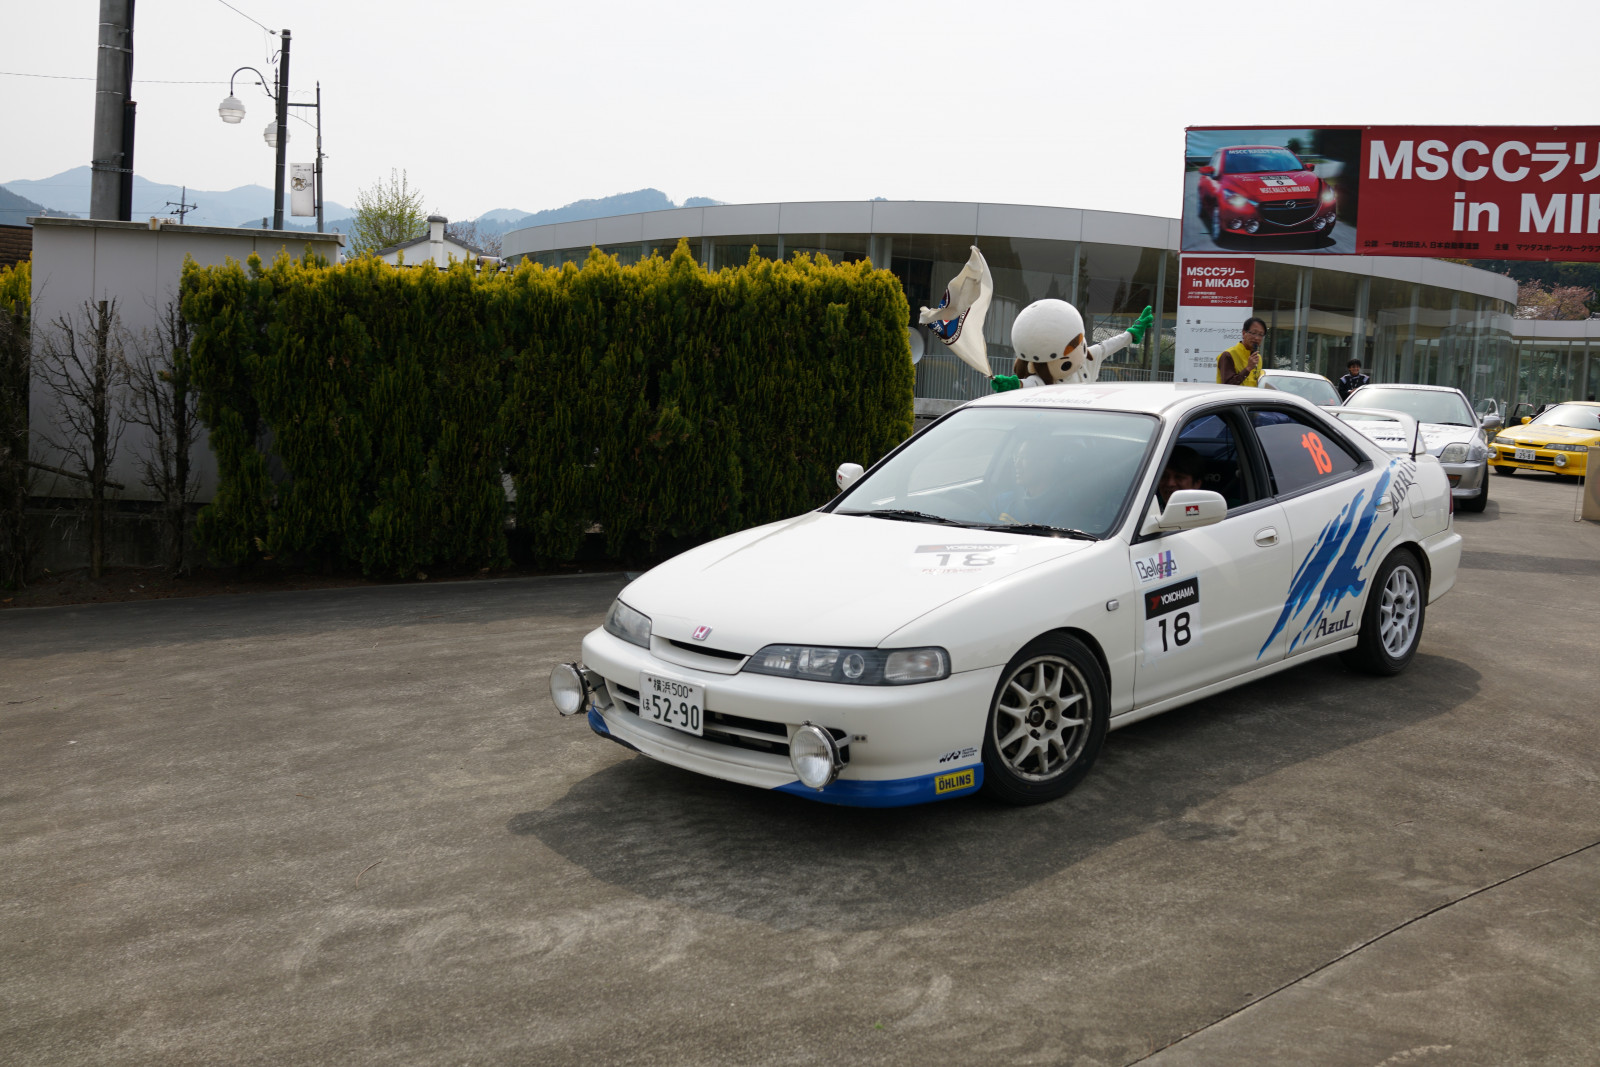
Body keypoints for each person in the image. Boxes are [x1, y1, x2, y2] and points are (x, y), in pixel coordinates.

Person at [1216, 318, 1266, 387]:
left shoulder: (1258, 358)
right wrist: (1248, 368)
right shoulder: (1228, 355)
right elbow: (1227, 385)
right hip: (1232, 397)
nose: (1257, 338)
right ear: (1244, 333)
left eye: (1260, 334)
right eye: (1254, 333)